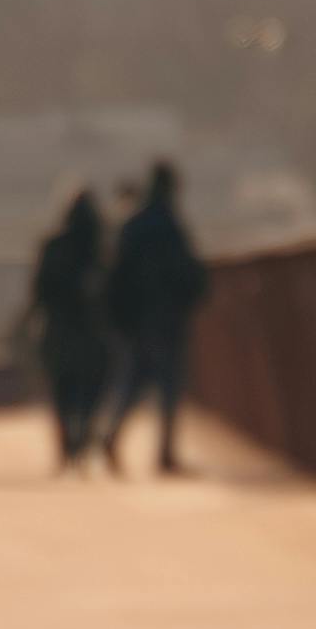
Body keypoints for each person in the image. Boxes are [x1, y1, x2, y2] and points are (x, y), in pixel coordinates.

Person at [100, 158, 211, 478]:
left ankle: (111, 436)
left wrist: (121, 316)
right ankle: (165, 454)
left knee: (135, 382)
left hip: (137, 319)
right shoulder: (169, 223)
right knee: (169, 386)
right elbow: (186, 268)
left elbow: (116, 274)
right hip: (166, 317)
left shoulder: (132, 223)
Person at [26, 184, 111, 470]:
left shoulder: (52, 244)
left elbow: (39, 289)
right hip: (92, 330)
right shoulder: (100, 247)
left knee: (62, 391)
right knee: (91, 389)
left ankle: (66, 445)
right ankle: (82, 437)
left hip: (58, 329)